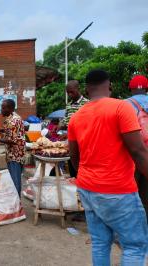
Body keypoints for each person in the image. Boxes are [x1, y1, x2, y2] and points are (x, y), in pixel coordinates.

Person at [68, 69, 148, 265]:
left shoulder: (76, 117)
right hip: (118, 189)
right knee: (134, 245)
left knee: (100, 242)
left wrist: (89, 176)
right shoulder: (121, 108)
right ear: (109, 85)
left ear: (86, 89)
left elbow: (74, 157)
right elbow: (138, 151)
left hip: (87, 187)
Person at [0, 99, 25, 197]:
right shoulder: (12, 117)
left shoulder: (14, 121)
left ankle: (17, 204)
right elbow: (12, 132)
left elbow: (13, 140)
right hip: (14, 153)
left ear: (10, 109)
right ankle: (16, 202)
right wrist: (2, 130)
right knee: (14, 178)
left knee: (15, 180)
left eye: (3, 108)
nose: (1, 110)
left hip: (15, 155)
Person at [127, 74, 148, 218]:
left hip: (132, 156)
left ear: (130, 89)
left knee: (130, 193)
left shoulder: (124, 104)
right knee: (146, 194)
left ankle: (131, 228)